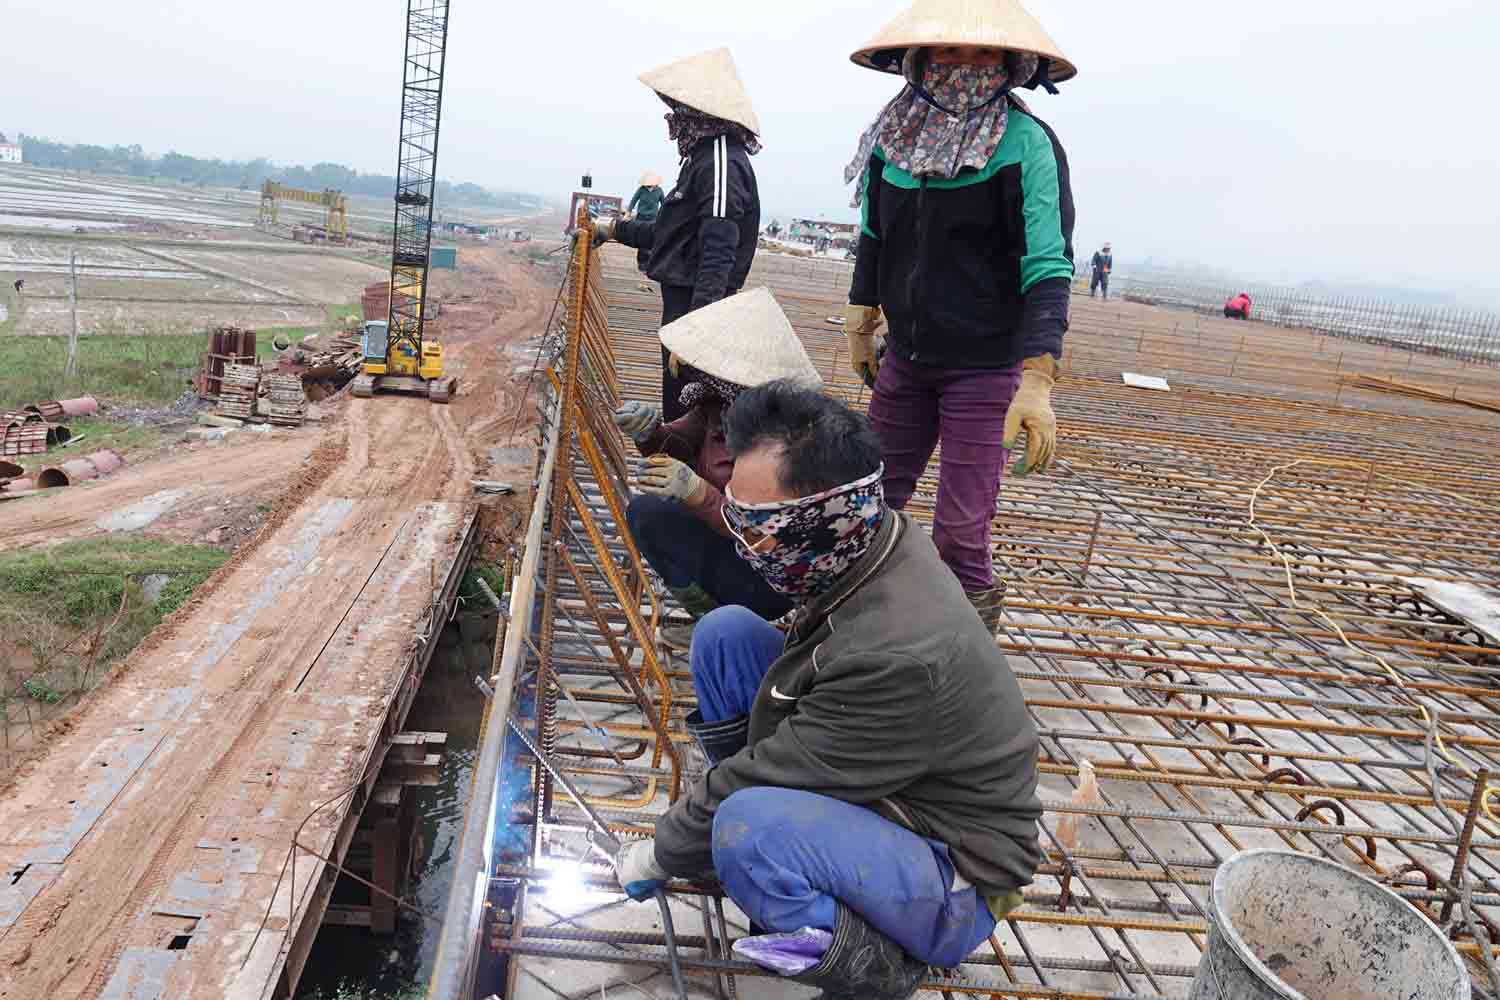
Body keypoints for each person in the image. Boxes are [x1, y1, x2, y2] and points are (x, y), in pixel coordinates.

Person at [613, 381, 1042, 1000]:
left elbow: (765, 777)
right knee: (727, 634)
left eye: (759, 531)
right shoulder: (869, 538)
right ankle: (766, 864)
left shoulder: (898, 655)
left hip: (952, 869)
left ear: (821, 524)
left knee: (748, 824)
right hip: (889, 787)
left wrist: (663, 850)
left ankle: (880, 962)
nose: (743, 543)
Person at [840, 0, 1077, 628]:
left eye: (982, 53)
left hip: (985, 367)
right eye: (948, 51)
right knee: (868, 504)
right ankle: (859, 631)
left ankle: (964, 658)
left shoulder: (1026, 145)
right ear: (917, 59)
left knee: (961, 533)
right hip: (908, 360)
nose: (964, 66)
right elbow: (874, 236)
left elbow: (1049, 265)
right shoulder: (893, 139)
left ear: (1010, 63)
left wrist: (1037, 379)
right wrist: (862, 317)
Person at [615, 288, 821, 653]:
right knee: (647, 513)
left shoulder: (785, 436)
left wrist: (701, 495)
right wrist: (650, 434)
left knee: (653, 513)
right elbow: (679, 444)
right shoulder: (720, 405)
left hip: (770, 578)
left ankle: (730, 631)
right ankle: (710, 621)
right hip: (729, 545)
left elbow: (765, 535)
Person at [596, 48, 763, 423]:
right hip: (683, 306)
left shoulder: (721, 160)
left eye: (678, 107)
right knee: (678, 401)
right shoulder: (701, 158)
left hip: (696, 307)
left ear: (698, 111)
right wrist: (614, 229)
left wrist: (696, 332)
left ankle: (693, 476)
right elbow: (669, 232)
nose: (673, 116)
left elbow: (719, 250)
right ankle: (680, 465)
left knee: (693, 406)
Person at [626, 171, 665, 275]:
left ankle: (647, 264)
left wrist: (665, 216)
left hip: (653, 218)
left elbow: (664, 204)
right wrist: (628, 212)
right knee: (641, 240)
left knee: (650, 241)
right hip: (641, 217)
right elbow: (633, 201)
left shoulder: (659, 191)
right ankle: (641, 264)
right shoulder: (641, 190)